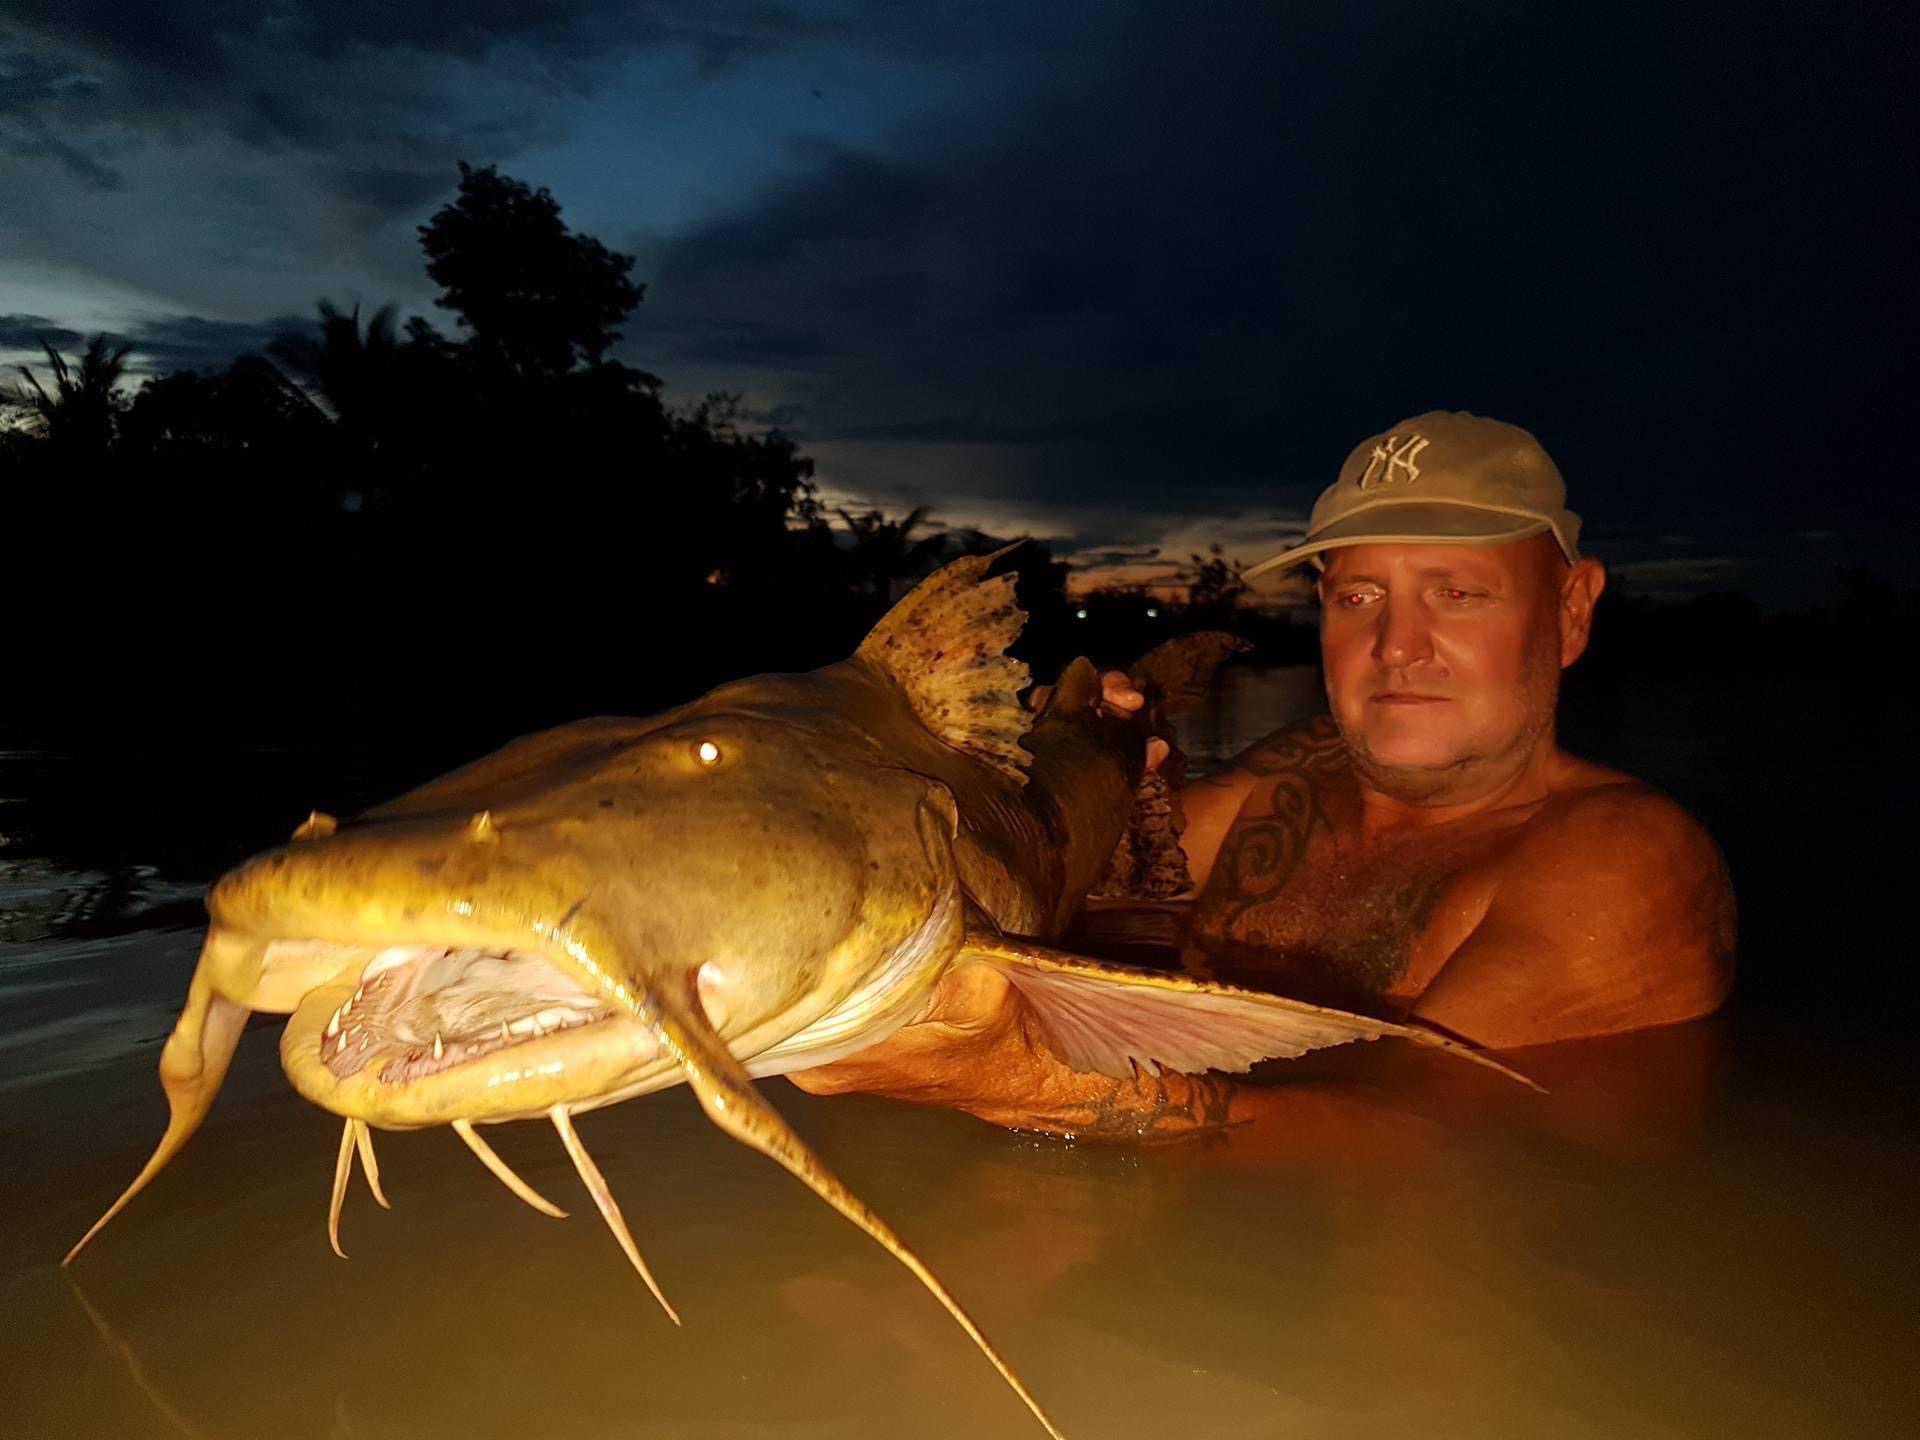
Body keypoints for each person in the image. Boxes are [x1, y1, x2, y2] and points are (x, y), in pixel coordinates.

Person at [788, 411, 1737, 1138]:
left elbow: (1400, 1134)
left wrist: (1008, 1078)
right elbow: (1107, 904)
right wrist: (1068, 773)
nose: (1397, 645)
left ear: (1572, 610)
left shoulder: (1625, 862)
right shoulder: (1286, 780)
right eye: (1359, 596)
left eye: (1457, 594)